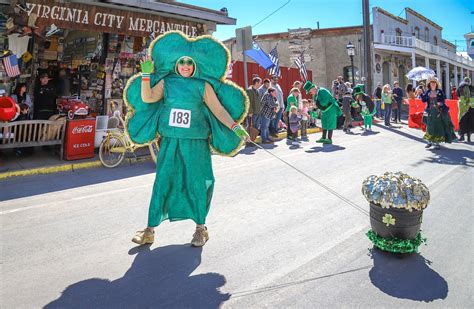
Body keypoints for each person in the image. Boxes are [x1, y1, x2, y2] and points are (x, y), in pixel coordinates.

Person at [127, 32, 249, 247]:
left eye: (189, 63)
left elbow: (218, 110)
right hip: (171, 141)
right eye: (182, 62)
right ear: (177, 63)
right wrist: (146, 75)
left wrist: (235, 127)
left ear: (194, 66)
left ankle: (200, 229)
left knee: (197, 184)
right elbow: (148, 98)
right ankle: (149, 230)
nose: (185, 65)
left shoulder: (203, 85)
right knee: (162, 183)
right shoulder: (167, 82)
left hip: (196, 143)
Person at [421, 76, 455, 149]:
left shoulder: (439, 91)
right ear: (429, 84)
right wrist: (421, 94)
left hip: (438, 112)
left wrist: (440, 103)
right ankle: (429, 142)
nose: (433, 84)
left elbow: (443, 100)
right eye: (431, 83)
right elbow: (423, 100)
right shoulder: (427, 92)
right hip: (430, 111)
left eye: (434, 83)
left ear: (436, 84)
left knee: (438, 126)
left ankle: (437, 143)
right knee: (429, 126)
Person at [456, 77, 474, 142]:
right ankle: (468, 138)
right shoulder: (472, 87)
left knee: (462, 122)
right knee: (470, 122)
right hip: (471, 108)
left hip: (463, 108)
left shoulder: (461, 87)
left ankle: (462, 136)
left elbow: (457, 95)